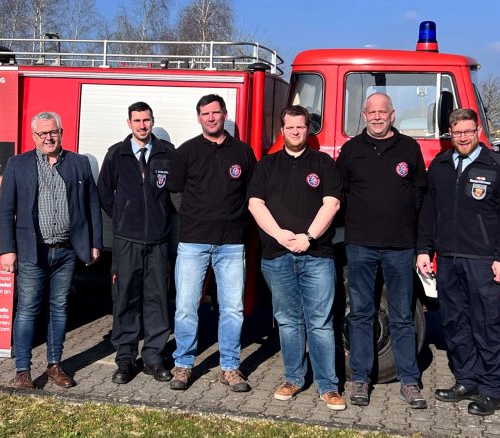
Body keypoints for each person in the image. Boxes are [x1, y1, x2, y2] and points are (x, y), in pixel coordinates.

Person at [416, 108, 500, 416]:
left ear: (477, 132)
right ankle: (466, 380)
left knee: (485, 325)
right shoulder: (441, 165)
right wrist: (424, 249)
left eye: (469, 132)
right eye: (457, 132)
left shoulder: (498, 165)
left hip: (484, 260)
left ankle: (490, 390)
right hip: (448, 259)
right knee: (454, 324)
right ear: (450, 133)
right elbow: (428, 212)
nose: (463, 137)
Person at [247, 105, 346, 410]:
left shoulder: (324, 163)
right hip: (277, 256)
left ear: (308, 129)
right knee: (289, 322)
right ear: (282, 130)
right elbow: (254, 204)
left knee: (320, 322)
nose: (295, 132)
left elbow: (332, 204)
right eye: (290, 128)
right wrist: (279, 235)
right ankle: (293, 378)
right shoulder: (267, 165)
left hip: (317, 255)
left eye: (301, 127)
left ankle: (328, 386)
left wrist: (308, 237)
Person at [0, 111, 103, 390]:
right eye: (42, 133)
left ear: (61, 132)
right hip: (33, 251)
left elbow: (92, 205)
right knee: (28, 309)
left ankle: (55, 365)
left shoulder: (79, 164)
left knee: (59, 308)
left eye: (53, 131)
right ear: (34, 136)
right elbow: (6, 210)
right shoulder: (18, 165)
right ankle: (23, 371)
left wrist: (94, 243)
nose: (48, 137)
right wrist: (7, 249)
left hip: (66, 251)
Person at [336, 92, 428, 409]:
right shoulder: (350, 151)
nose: (377, 117)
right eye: (371, 112)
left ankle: (409, 382)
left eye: (382, 111)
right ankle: (360, 379)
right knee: (361, 314)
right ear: (364, 115)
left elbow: (419, 194)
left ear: (392, 114)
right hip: (360, 246)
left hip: (400, 247)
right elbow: (340, 195)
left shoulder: (409, 149)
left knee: (402, 316)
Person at [165, 94, 256, 392]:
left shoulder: (243, 152)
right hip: (193, 242)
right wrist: (194, 217)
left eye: (216, 113)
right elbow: (175, 192)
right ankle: (183, 365)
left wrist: (236, 219)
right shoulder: (186, 152)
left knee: (232, 308)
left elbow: (251, 194)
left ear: (224, 114)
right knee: (186, 307)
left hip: (231, 243)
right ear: (199, 118)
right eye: (205, 114)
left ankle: (230, 367)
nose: (211, 118)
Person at [97, 102, 175, 384]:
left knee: (157, 300)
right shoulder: (117, 154)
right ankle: (126, 359)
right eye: (137, 120)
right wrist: (122, 216)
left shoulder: (167, 153)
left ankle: (154, 357)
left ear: (152, 121)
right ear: (128, 123)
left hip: (158, 242)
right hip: (126, 242)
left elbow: (175, 194)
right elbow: (104, 193)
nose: (142, 125)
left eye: (147, 120)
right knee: (125, 298)